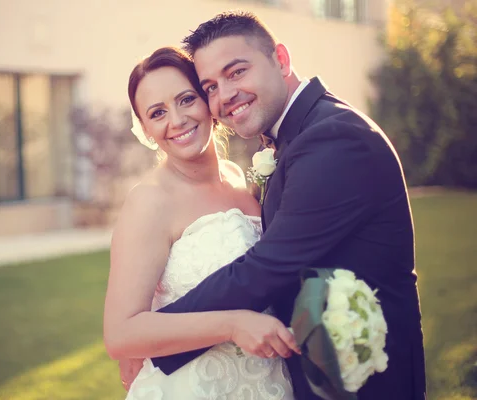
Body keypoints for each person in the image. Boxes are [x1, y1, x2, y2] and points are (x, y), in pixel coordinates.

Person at [122, 11, 427, 400]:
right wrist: (146, 337)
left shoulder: (332, 138)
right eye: (210, 86)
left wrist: (154, 337)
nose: (225, 95)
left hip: (366, 378)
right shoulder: (298, 134)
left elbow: (266, 267)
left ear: (280, 59)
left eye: (236, 72)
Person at [103, 46, 298, 399]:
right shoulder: (148, 202)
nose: (176, 120)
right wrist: (232, 325)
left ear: (208, 99)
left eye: (186, 99)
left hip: (265, 380)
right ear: (146, 130)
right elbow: (120, 334)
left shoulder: (240, 178)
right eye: (158, 112)